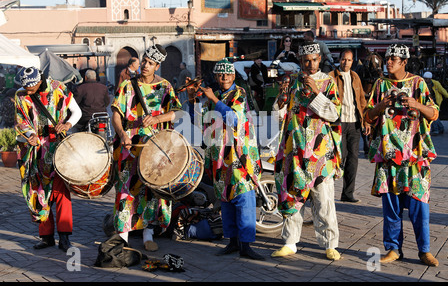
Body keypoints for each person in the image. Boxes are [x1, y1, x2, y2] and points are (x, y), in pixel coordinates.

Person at [364, 44, 439, 267]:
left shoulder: (418, 83)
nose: (388, 62)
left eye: (393, 59)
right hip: (389, 157)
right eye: (387, 58)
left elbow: (434, 113)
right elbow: (368, 117)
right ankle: (393, 249)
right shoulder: (380, 84)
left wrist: (417, 104)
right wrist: (380, 106)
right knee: (391, 208)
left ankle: (424, 250)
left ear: (404, 62)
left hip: (415, 157)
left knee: (419, 205)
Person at [186, 58, 265, 260]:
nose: (224, 77)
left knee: (243, 198)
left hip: (240, 155)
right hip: (220, 157)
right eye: (220, 74)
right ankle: (232, 242)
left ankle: (246, 245)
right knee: (226, 199)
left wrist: (213, 99)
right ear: (216, 76)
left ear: (233, 76)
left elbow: (234, 119)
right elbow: (200, 122)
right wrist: (193, 99)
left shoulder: (240, 93)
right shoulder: (216, 94)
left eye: (228, 74)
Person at [272, 41, 342, 261]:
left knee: (324, 200)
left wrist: (314, 92)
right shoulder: (292, 81)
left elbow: (333, 113)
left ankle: (330, 244)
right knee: (292, 196)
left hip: (320, 153)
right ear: (300, 62)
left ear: (320, 59)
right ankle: (290, 242)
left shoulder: (328, 82)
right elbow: (278, 113)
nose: (310, 64)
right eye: (306, 61)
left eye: (314, 60)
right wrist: (281, 98)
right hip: (294, 149)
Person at [111, 44, 182, 252]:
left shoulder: (165, 87)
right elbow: (116, 113)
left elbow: (177, 112)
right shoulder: (127, 85)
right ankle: (122, 236)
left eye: (150, 63)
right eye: (144, 61)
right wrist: (122, 134)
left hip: (155, 148)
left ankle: (148, 233)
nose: (145, 66)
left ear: (157, 66)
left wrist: (157, 118)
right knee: (126, 188)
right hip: (129, 147)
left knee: (151, 190)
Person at [14, 66, 82, 252]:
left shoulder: (58, 88)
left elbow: (77, 112)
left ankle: (65, 237)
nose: (27, 91)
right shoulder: (21, 95)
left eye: (30, 88)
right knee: (38, 191)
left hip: (56, 147)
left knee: (61, 193)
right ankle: (46, 236)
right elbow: (21, 121)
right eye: (25, 88)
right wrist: (29, 134)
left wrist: (67, 124)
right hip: (34, 151)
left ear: (37, 82)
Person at [329, 49, 371, 203]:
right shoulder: (331, 77)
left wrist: (365, 121)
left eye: (349, 60)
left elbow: (361, 101)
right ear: (339, 60)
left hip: (354, 123)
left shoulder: (355, 77)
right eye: (343, 59)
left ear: (353, 61)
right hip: (338, 123)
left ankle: (348, 194)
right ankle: (326, 193)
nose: (345, 63)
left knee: (353, 159)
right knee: (339, 158)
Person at [423, 71, 448, 135]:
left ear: (430, 79)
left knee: (432, 115)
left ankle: (436, 129)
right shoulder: (423, 83)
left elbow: (442, 90)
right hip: (427, 101)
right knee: (434, 116)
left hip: (435, 101)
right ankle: (440, 128)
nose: (425, 80)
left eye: (426, 79)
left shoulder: (435, 83)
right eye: (424, 78)